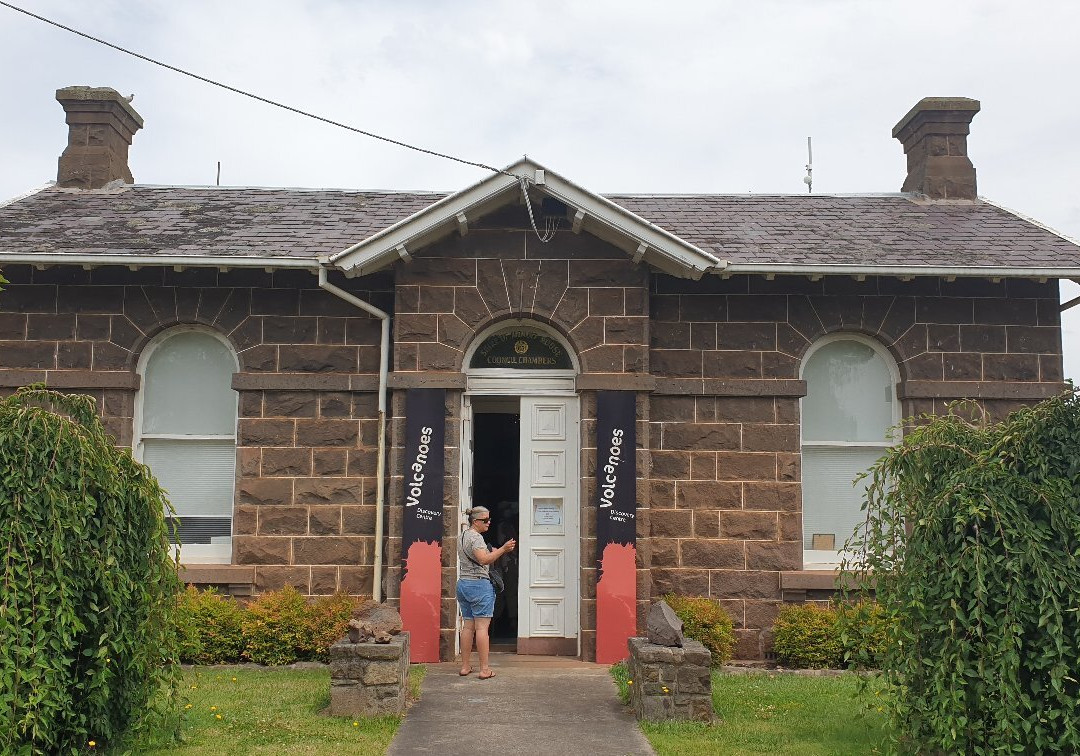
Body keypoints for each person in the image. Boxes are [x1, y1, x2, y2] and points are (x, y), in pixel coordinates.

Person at [457, 506, 516, 679]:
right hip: (479, 585)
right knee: (482, 628)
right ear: (475, 521)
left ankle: (465, 667)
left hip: (463, 584)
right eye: (485, 520)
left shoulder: (462, 536)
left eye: (489, 519)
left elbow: (476, 557)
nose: (489, 523)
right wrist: (503, 549)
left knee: (468, 627)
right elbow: (483, 559)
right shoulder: (477, 539)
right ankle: (484, 670)